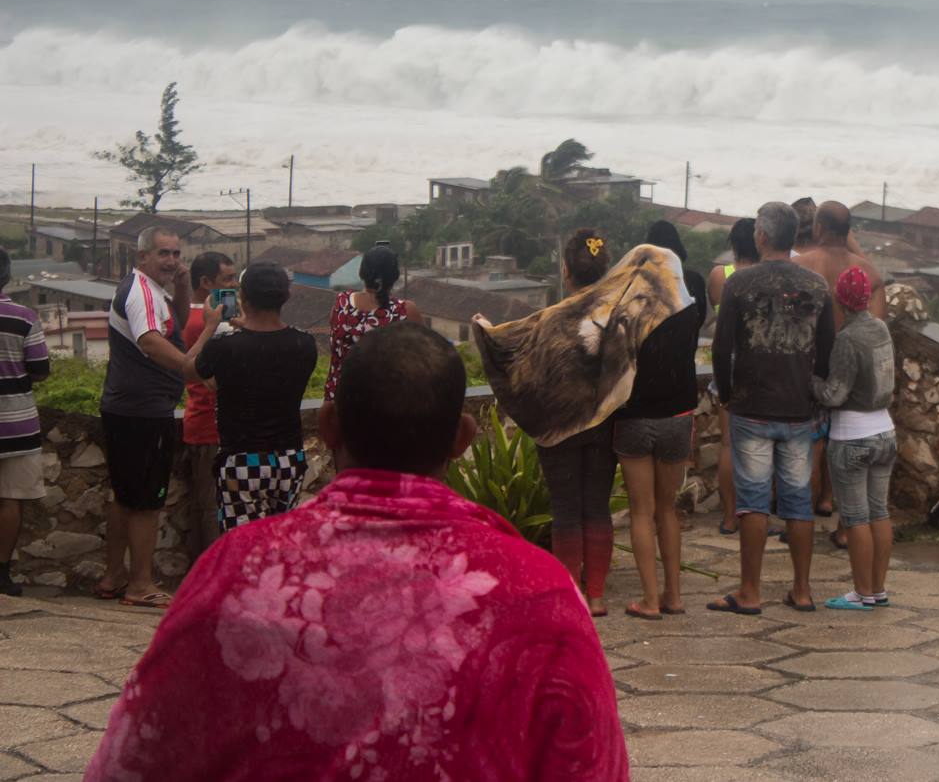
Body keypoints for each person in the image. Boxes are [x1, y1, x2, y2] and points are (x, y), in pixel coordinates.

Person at [84, 323, 628, 782]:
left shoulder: (237, 572)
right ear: (463, 439)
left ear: (328, 427)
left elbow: (132, 762)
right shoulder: (541, 594)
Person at [710, 201, 835, 614]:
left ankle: (750, 591)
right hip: (799, 407)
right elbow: (827, 349)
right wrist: (812, 389)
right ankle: (801, 590)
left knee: (753, 501)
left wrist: (726, 394)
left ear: (761, 237)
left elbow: (722, 346)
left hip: (751, 404)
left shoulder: (739, 284)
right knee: (799, 502)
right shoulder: (817, 286)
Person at [614, 221, 707, 620]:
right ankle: (674, 595)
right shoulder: (690, 302)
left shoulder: (629, 300)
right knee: (668, 510)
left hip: (635, 414)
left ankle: (649, 601)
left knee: (640, 510)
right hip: (679, 413)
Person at [183, 263, 319, 532]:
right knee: (279, 540)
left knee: (240, 545)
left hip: (241, 460)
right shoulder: (304, 344)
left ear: (242, 298)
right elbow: (266, 346)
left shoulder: (225, 347)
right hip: (288, 458)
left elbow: (188, 368)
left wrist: (210, 327)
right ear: (286, 296)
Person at [98, 226, 191, 610]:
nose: (171, 260)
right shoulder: (140, 292)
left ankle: (112, 576)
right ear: (142, 258)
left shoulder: (152, 290)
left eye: (175, 253)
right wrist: (190, 368)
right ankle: (140, 583)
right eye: (163, 254)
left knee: (124, 496)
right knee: (147, 502)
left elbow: (176, 325)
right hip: (143, 410)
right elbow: (151, 340)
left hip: (126, 407)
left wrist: (182, 286)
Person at [533, 229, 619, 617]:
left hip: (560, 427)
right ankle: (597, 596)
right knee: (597, 506)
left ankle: (573, 595)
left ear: (566, 269)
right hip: (603, 422)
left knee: (565, 508)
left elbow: (533, 372)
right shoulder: (615, 318)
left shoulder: (549, 319)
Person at [796, 201, 887, 538]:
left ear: (818, 228)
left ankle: (799, 523)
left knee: (808, 448)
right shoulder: (868, 273)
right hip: (854, 373)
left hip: (811, 369)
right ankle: (847, 529)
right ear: (848, 232)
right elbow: (876, 328)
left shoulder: (801, 266)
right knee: (846, 447)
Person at [811, 266, 896, 609]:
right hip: (884, 431)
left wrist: (809, 381)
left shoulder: (846, 338)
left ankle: (861, 593)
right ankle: (878, 589)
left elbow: (834, 394)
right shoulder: (881, 329)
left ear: (840, 299)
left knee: (856, 517)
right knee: (880, 512)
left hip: (852, 436)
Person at [179, 251, 236, 557]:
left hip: (204, 424)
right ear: (205, 283)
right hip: (208, 426)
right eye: (227, 280)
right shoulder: (203, 323)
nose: (234, 287)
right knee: (212, 509)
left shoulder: (192, 318)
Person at [0, 249, 50, 597]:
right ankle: (2, 573)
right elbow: (41, 369)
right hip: (16, 422)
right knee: (10, 499)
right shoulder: (23, 316)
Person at [707, 217, 760, 535]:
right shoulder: (764, 277)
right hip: (757, 361)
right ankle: (755, 516)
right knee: (758, 443)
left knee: (728, 444)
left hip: (726, 360)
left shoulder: (719, 276)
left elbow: (717, 314)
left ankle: (729, 517)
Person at [323, 245, 423, 401]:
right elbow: (427, 358)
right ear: (395, 276)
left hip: (341, 401)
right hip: (385, 404)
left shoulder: (341, 303)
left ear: (362, 272)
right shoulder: (404, 311)